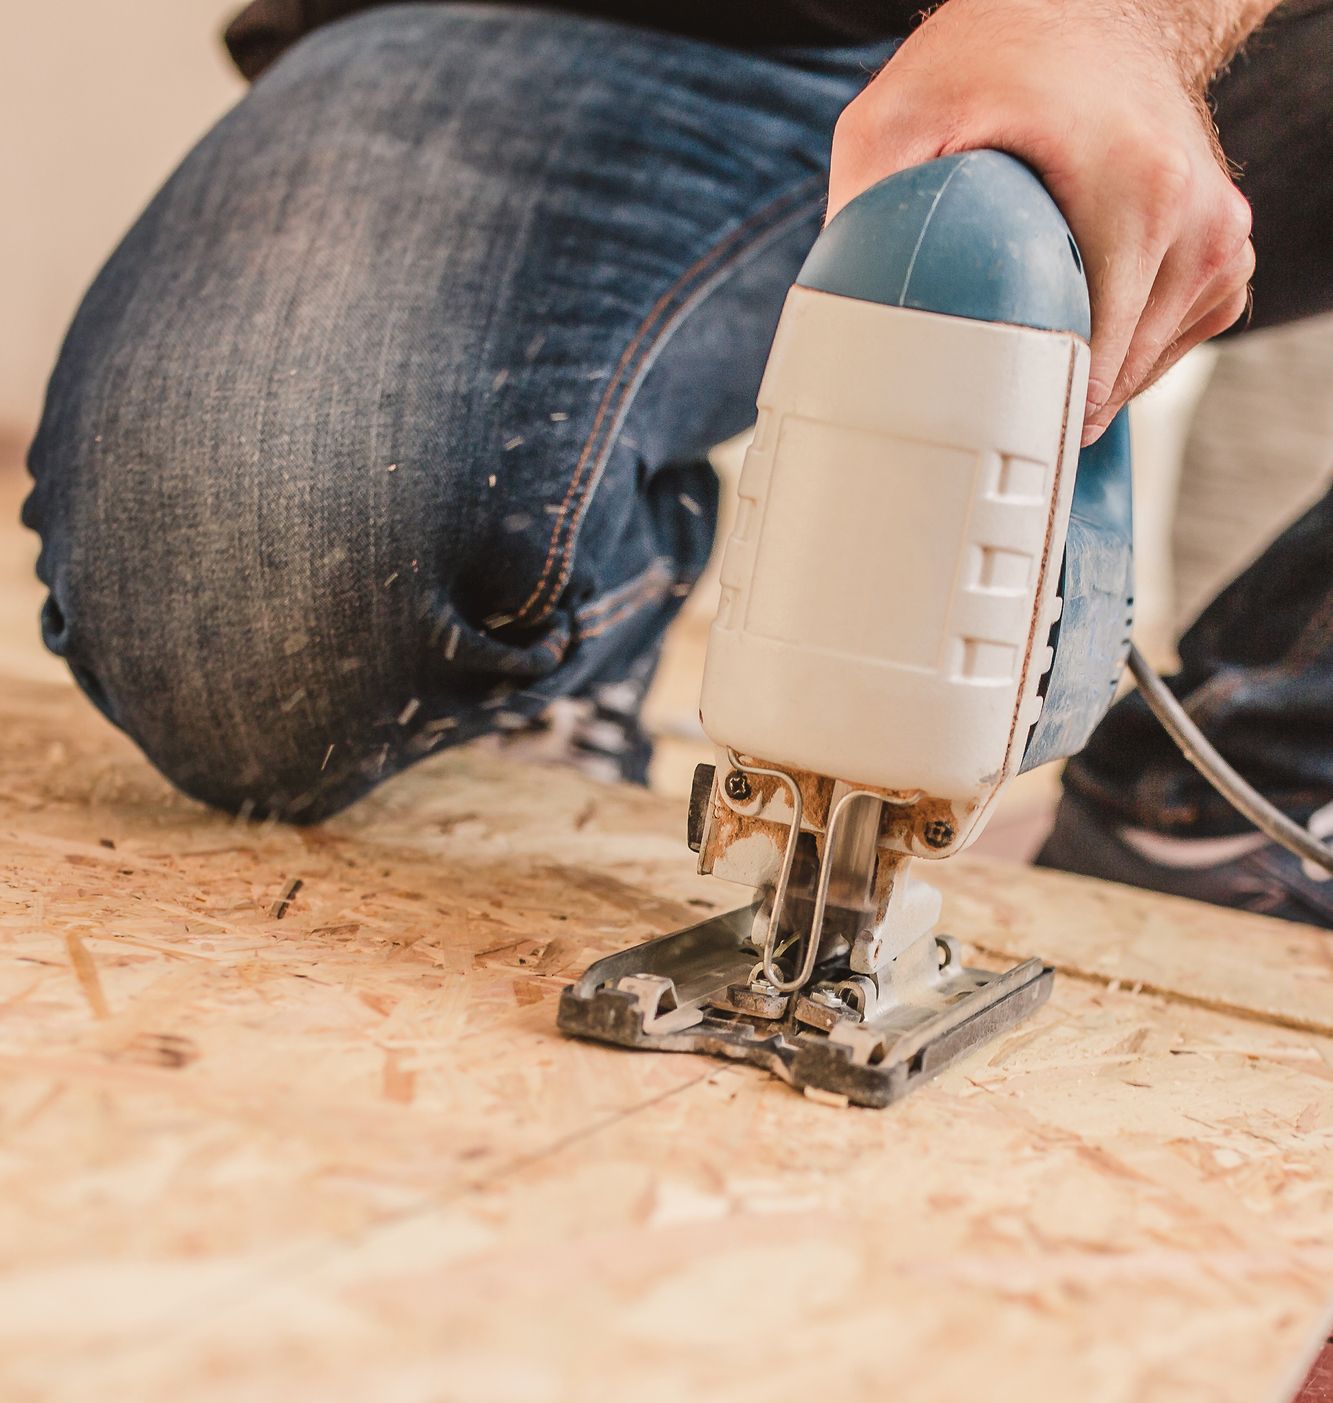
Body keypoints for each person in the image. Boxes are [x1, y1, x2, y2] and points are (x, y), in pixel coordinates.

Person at [20, 0, 1333, 922]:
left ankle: (1249, 778)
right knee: (240, 603)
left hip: (1236, 46)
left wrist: (1114, 19)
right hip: (611, 28)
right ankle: (554, 623)